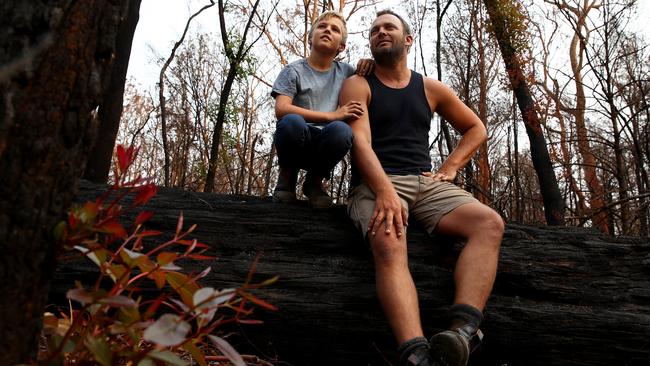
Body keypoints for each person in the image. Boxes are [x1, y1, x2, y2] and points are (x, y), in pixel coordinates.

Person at [339, 9, 504, 366]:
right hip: (377, 182)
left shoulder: (430, 88)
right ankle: (416, 353)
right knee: (388, 241)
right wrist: (384, 191)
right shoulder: (358, 83)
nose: (381, 32)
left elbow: (476, 128)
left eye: (389, 27)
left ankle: (462, 333)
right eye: (374, 30)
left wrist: (449, 168)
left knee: (489, 223)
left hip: (425, 182)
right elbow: (360, 143)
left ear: (408, 39)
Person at [271, 10, 372, 208]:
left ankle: (314, 183)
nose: (327, 30)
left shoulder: (347, 72)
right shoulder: (293, 70)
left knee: (343, 131)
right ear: (310, 38)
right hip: (296, 139)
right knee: (291, 121)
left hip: (325, 144)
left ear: (341, 46)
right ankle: (287, 178)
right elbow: (281, 109)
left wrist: (369, 63)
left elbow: (376, 78)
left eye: (335, 30)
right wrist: (330, 115)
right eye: (322, 27)